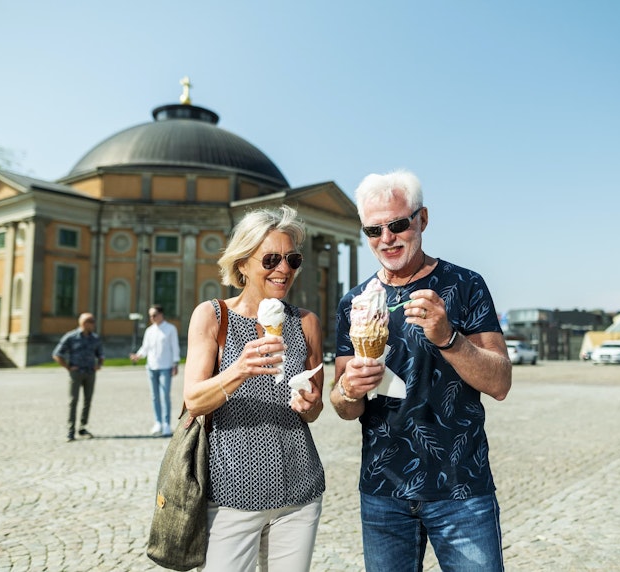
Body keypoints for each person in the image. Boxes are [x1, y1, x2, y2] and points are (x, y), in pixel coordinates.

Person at [331, 169, 512, 572]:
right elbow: (344, 405)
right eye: (373, 230)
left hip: (460, 485)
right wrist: (348, 391)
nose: (386, 239)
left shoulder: (465, 285)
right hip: (383, 489)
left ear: (422, 219)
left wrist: (449, 337)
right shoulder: (355, 303)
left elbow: (500, 382)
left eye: (397, 224)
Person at [183, 204, 325, 572]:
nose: (284, 270)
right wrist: (239, 369)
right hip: (231, 494)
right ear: (243, 263)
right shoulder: (213, 315)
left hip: (299, 494)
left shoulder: (306, 322)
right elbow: (194, 400)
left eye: (292, 260)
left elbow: (314, 410)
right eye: (271, 259)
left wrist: (309, 403)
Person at [53, 312, 105, 442]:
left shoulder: (95, 338)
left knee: (88, 401)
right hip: (76, 374)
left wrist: (98, 365)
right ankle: (70, 430)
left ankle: (82, 427)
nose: (94, 324)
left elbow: (101, 354)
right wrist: (68, 367)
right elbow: (57, 354)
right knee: (73, 401)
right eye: (91, 321)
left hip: (90, 373)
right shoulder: (71, 337)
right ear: (83, 323)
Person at [130, 304, 181, 437]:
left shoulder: (170, 329)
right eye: (150, 315)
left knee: (165, 396)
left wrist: (175, 363)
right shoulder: (149, 330)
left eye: (154, 315)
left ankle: (166, 424)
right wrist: (138, 355)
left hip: (166, 366)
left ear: (161, 314)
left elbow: (175, 347)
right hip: (151, 367)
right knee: (154, 396)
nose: (152, 318)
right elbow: (145, 348)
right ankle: (157, 422)